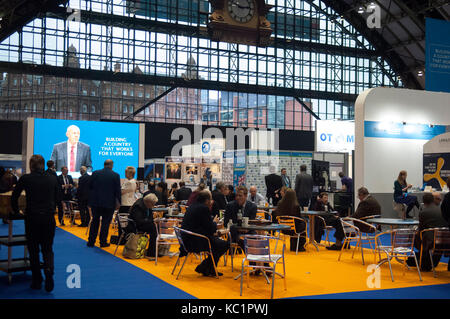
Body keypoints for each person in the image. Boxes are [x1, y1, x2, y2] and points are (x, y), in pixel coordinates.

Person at [11, 155, 60, 292]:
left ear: (31, 165)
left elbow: (14, 197)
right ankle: (49, 271)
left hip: (32, 218)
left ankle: (37, 280)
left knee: (33, 250)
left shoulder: (26, 178)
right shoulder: (52, 178)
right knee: (48, 248)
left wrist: (17, 211)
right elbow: (58, 198)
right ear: (43, 165)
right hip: (49, 218)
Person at [181, 190, 229, 276]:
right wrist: (214, 222)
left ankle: (207, 268)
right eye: (210, 200)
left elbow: (202, 226)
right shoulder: (203, 208)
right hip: (195, 241)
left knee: (217, 243)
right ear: (207, 200)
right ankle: (206, 267)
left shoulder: (192, 206)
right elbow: (210, 228)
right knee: (224, 244)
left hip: (187, 239)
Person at [406, 193, 448, 271]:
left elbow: (421, 229)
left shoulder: (424, 212)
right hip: (444, 238)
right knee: (426, 237)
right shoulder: (442, 210)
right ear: (433, 200)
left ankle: (422, 260)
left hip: (431, 241)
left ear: (424, 202)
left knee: (417, 236)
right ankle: (430, 262)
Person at [87, 159, 121, 248]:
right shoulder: (115, 175)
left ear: (104, 164)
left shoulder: (95, 173)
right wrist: (118, 203)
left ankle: (91, 241)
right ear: (111, 165)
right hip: (109, 203)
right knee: (105, 223)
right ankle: (103, 242)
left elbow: (90, 186)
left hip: (96, 202)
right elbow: (118, 191)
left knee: (95, 221)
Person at [126, 193, 159, 260]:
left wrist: (153, 221)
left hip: (142, 224)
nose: (153, 206)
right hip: (135, 226)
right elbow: (138, 220)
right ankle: (151, 253)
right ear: (148, 202)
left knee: (156, 227)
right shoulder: (138, 206)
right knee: (154, 230)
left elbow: (149, 218)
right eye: (153, 204)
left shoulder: (146, 205)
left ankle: (154, 250)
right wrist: (152, 221)